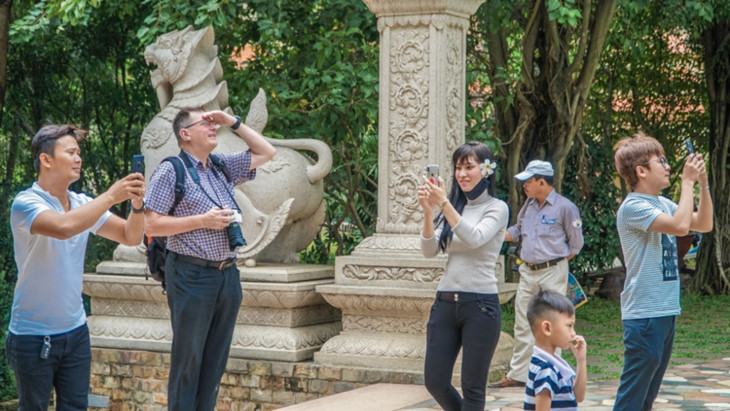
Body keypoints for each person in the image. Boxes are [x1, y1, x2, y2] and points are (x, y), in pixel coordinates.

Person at [144, 106, 276, 410]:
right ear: (185, 134)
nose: (212, 126)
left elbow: (267, 152)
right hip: (191, 274)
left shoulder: (219, 166)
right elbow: (150, 225)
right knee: (188, 361)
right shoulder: (171, 170)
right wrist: (202, 221)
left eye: (213, 122)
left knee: (215, 362)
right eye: (204, 123)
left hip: (227, 275)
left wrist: (233, 122)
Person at [7, 124, 146, 409]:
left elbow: (130, 236)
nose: (78, 158)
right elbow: (64, 227)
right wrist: (111, 196)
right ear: (46, 159)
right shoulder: (26, 203)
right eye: (71, 152)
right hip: (33, 335)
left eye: (79, 152)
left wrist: (137, 204)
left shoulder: (82, 203)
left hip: (76, 331)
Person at [612, 132, 712, 410]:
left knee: (646, 397)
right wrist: (687, 182)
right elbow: (680, 227)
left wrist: (702, 184)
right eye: (662, 161)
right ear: (641, 171)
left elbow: (703, 224)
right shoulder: (633, 206)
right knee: (632, 398)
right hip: (644, 313)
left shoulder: (663, 204)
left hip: (664, 310)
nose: (668, 167)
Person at [419, 141, 509, 411]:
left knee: (472, 387)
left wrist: (443, 203)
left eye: (469, 167)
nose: (462, 174)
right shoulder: (454, 207)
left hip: (480, 306)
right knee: (435, 381)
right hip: (444, 304)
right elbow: (429, 250)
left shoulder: (497, 208)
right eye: (458, 168)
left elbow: (475, 238)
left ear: (486, 170)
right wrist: (428, 213)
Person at [491, 160, 584, 389]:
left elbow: (576, 245)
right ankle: (519, 374)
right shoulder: (529, 205)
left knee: (553, 321)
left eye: (528, 181)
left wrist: (555, 263)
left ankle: (553, 372)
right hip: (528, 272)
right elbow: (518, 230)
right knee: (523, 321)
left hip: (553, 271)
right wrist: (493, 233)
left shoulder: (566, 208)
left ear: (542, 182)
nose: (524, 185)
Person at [523, 289, 587, 411]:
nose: (573, 333)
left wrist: (581, 360)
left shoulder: (552, 363)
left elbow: (578, 396)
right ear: (547, 328)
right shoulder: (546, 370)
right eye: (569, 326)